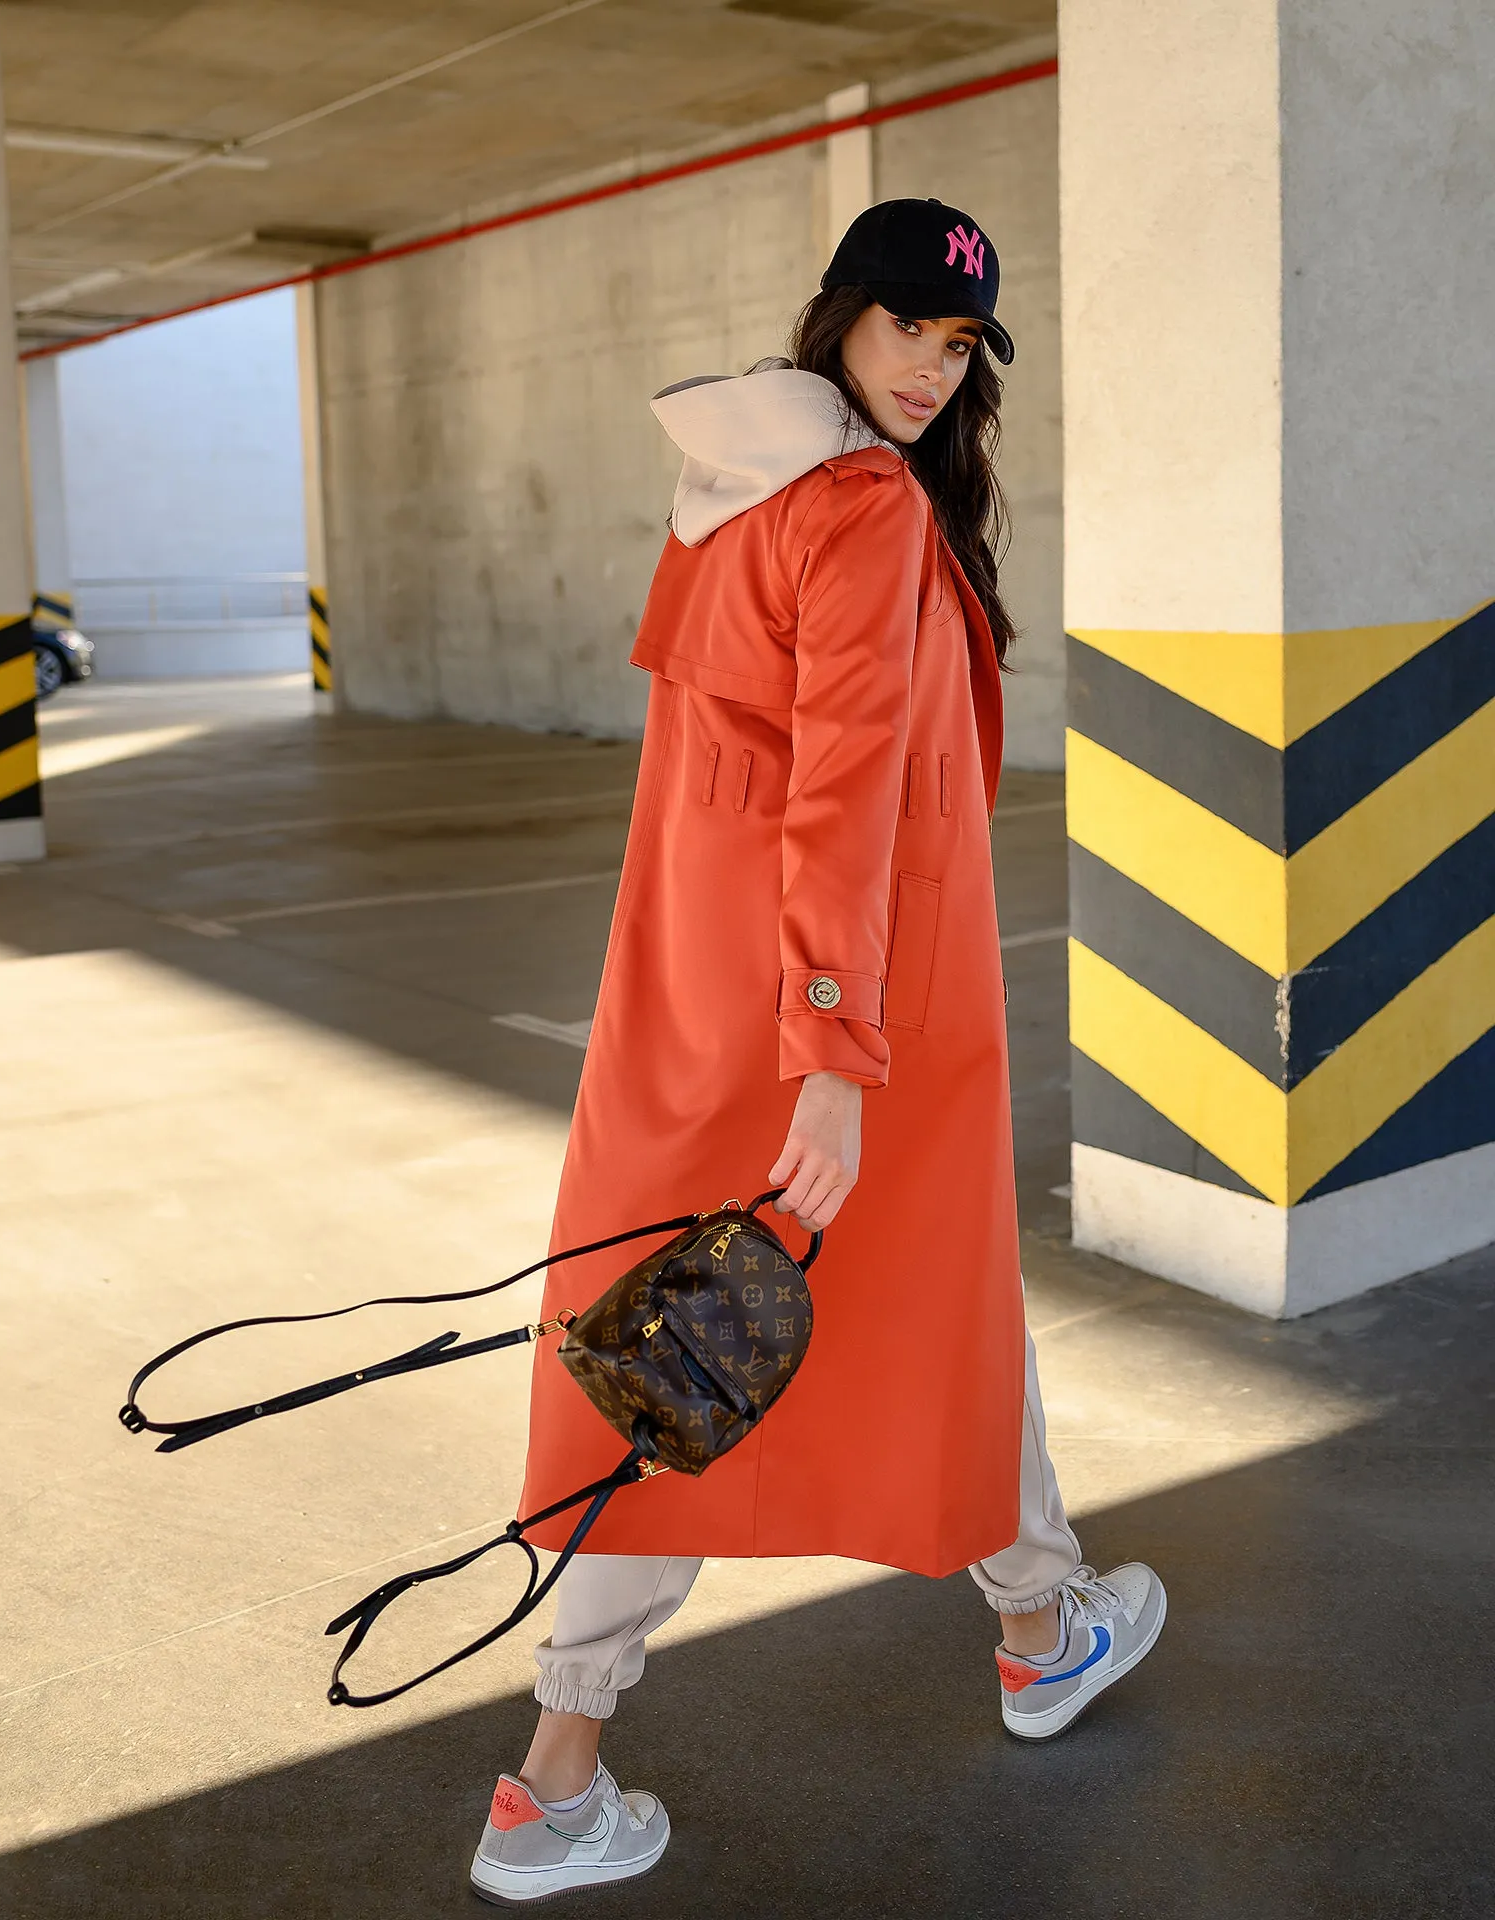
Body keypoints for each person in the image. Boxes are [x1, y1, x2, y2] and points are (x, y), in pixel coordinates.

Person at [469, 199, 1166, 1909]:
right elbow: (841, 791)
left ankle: (1027, 1619)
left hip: (709, 1001)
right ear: (841, 315)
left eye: (958, 344)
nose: (930, 365)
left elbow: (720, 787)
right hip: (849, 1012)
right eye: (907, 326)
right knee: (795, 1330)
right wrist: (836, 1056)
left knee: (703, 1337)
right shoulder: (852, 505)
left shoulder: (733, 495)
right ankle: (578, 1770)